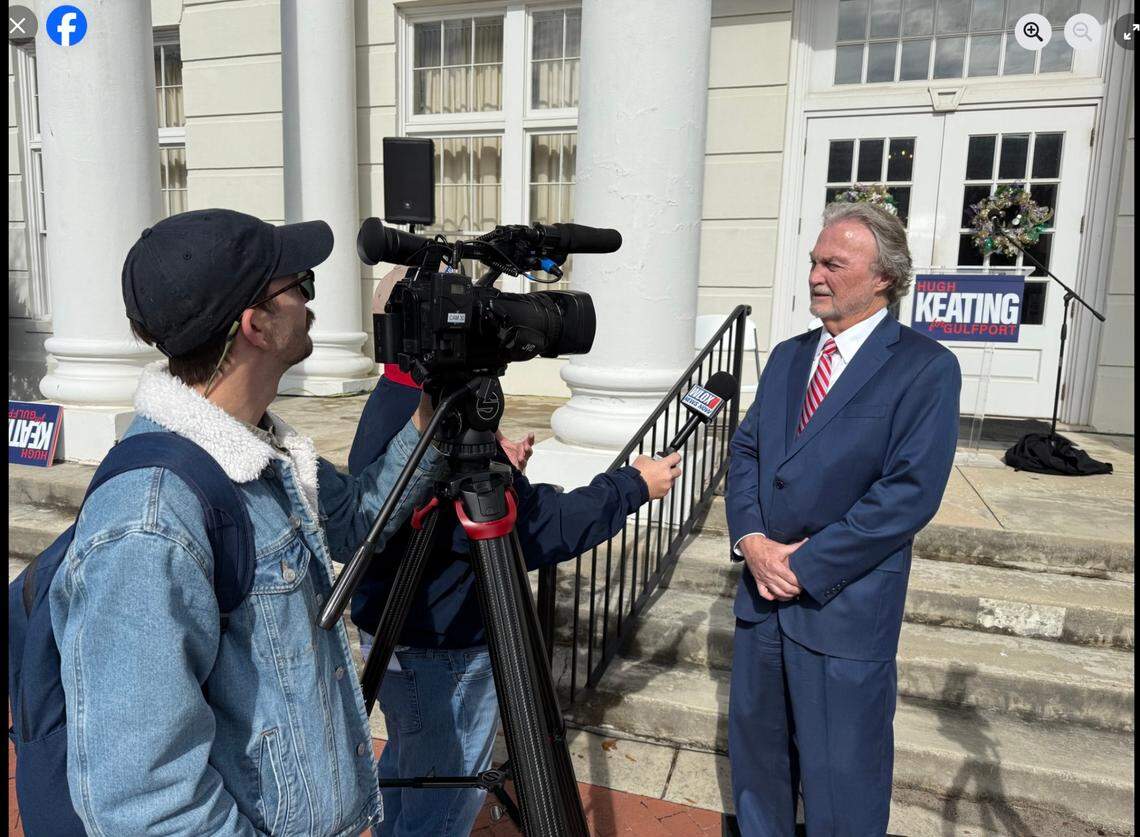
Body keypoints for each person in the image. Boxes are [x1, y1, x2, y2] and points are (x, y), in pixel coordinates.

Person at [48, 208, 445, 835]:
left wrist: (429, 417)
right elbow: (143, 801)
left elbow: (352, 522)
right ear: (256, 324)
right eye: (300, 286)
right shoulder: (150, 524)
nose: (311, 302)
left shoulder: (259, 448)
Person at [345, 278, 683, 836]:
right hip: (442, 647)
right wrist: (630, 486)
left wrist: (494, 473)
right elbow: (536, 531)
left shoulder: (401, 398)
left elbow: (427, 511)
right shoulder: (429, 415)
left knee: (410, 768)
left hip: (399, 635)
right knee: (439, 806)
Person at [725, 201, 961, 836]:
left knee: (843, 782)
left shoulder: (925, 367)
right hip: (762, 601)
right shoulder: (788, 356)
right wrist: (751, 540)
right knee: (759, 768)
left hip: (843, 606)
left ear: (883, 276)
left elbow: (909, 493)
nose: (816, 276)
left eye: (834, 263)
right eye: (813, 262)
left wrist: (800, 564)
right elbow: (746, 449)